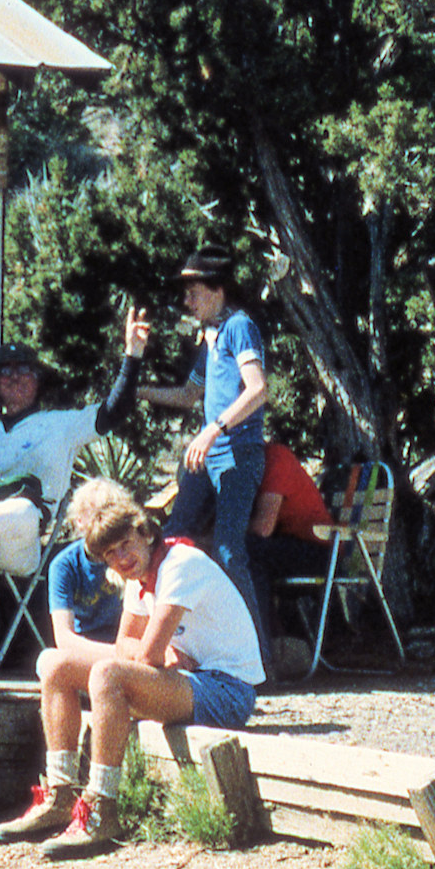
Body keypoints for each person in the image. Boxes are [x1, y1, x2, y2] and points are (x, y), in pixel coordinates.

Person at [0, 480, 263, 860]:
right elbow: (127, 645)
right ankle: (60, 795)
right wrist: (162, 650)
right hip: (188, 679)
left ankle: (102, 806)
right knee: (55, 664)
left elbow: (145, 656)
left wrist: (156, 651)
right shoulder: (138, 580)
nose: (120, 558)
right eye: (109, 553)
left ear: (145, 531)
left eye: (125, 544)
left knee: (109, 675)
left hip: (226, 689)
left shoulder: (179, 564)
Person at [0, 309, 149, 634]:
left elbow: (114, 411)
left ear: (39, 379)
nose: (14, 376)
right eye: (4, 371)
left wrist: (132, 356)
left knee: (23, 508)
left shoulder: (60, 425)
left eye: (24, 369)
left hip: (19, 544)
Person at [141, 246, 271, 667]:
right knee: (174, 536)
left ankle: (257, 659)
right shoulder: (212, 336)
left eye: (194, 291)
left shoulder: (239, 327)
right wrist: (138, 391)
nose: (187, 301)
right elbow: (188, 394)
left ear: (218, 290)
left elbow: (257, 389)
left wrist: (214, 428)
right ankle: (165, 643)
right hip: (210, 453)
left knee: (230, 549)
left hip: (236, 452)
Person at [245, 442, 336, 670]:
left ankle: (262, 647)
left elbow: (263, 527)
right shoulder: (248, 466)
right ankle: (265, 644)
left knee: (245, 552)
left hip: (320, 554)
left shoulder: (276, 458)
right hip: (288, 547)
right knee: (246, 556)